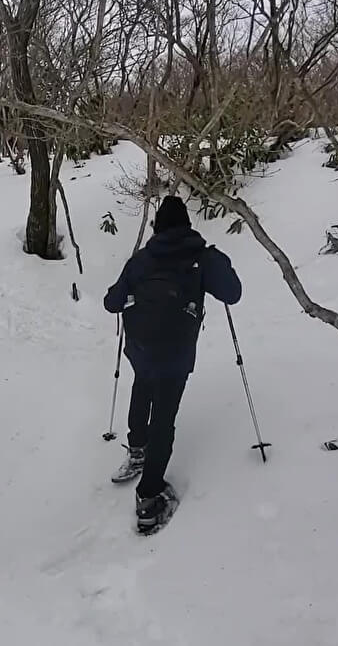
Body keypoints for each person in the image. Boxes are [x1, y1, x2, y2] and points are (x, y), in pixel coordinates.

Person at [103, 195, 242, 532]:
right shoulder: (201, 258)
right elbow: (232, 293)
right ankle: (148, 501)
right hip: (177, 353)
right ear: (187, 226)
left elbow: (111, 302)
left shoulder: (140, 261)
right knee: (164, 416)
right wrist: (215, 261)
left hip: (140, 348)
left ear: (157, 227)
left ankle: (137, 450)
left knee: (142, 387)